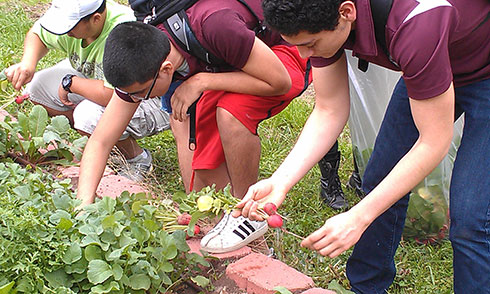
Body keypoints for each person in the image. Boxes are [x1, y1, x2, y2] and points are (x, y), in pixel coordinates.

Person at [235, 0, 490, 293]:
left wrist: (359, 216)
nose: (304, 54)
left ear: (347, 13)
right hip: (434, 60)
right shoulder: (321, 17)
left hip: (481, 70)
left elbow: (433, 142)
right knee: (379, 180)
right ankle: (365, 287)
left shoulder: (415, 21)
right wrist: (280, 181)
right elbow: (329, 110)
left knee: (472, 220)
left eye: (310, 44)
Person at [76, 0, 311, 254]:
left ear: (167, 69)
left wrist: (202, 80)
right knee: (200, 187)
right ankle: (235, 229)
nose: (137, 101)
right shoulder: (144, 55)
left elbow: (280, 82)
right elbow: (100, 141)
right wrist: (82, 209)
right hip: (235, 61)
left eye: (141, 94)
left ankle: (244, 216)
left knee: (230, 111)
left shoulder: (214, 25)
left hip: (283, 53)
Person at [5, 0, 170, 181]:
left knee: (88, 116)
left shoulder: (122, 33)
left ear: (96, 19)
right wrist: (28, 63)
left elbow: (114, 95)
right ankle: (97, 143)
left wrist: (72, 84)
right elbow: (38, 33)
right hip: (98, 79)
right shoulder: (75, 21)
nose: (66, 33)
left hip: (149, 98)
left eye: (70, 28)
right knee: (37, 89)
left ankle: (137, 159)